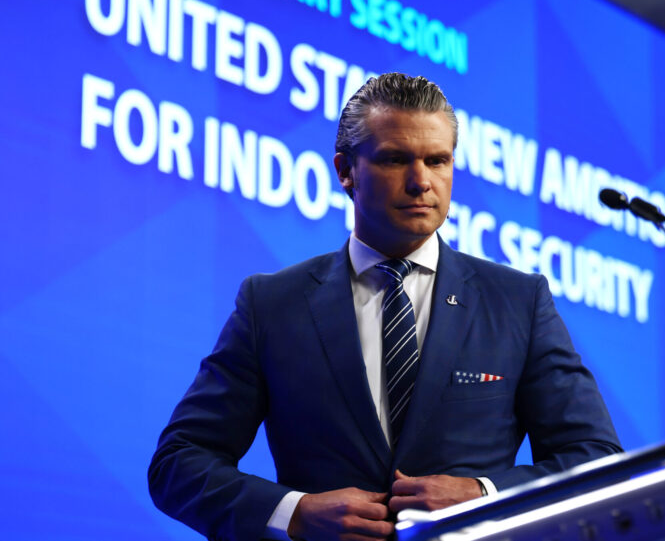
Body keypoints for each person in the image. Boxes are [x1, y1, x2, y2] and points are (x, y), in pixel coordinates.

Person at [148, 73, 622, 541]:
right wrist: (295, 513)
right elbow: (179, 463)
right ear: (345, 171)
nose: (421, 182)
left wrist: (486, 495)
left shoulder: (518, 301)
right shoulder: (271, 304)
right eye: (395, 159)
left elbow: (595, 458)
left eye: (437, 160)